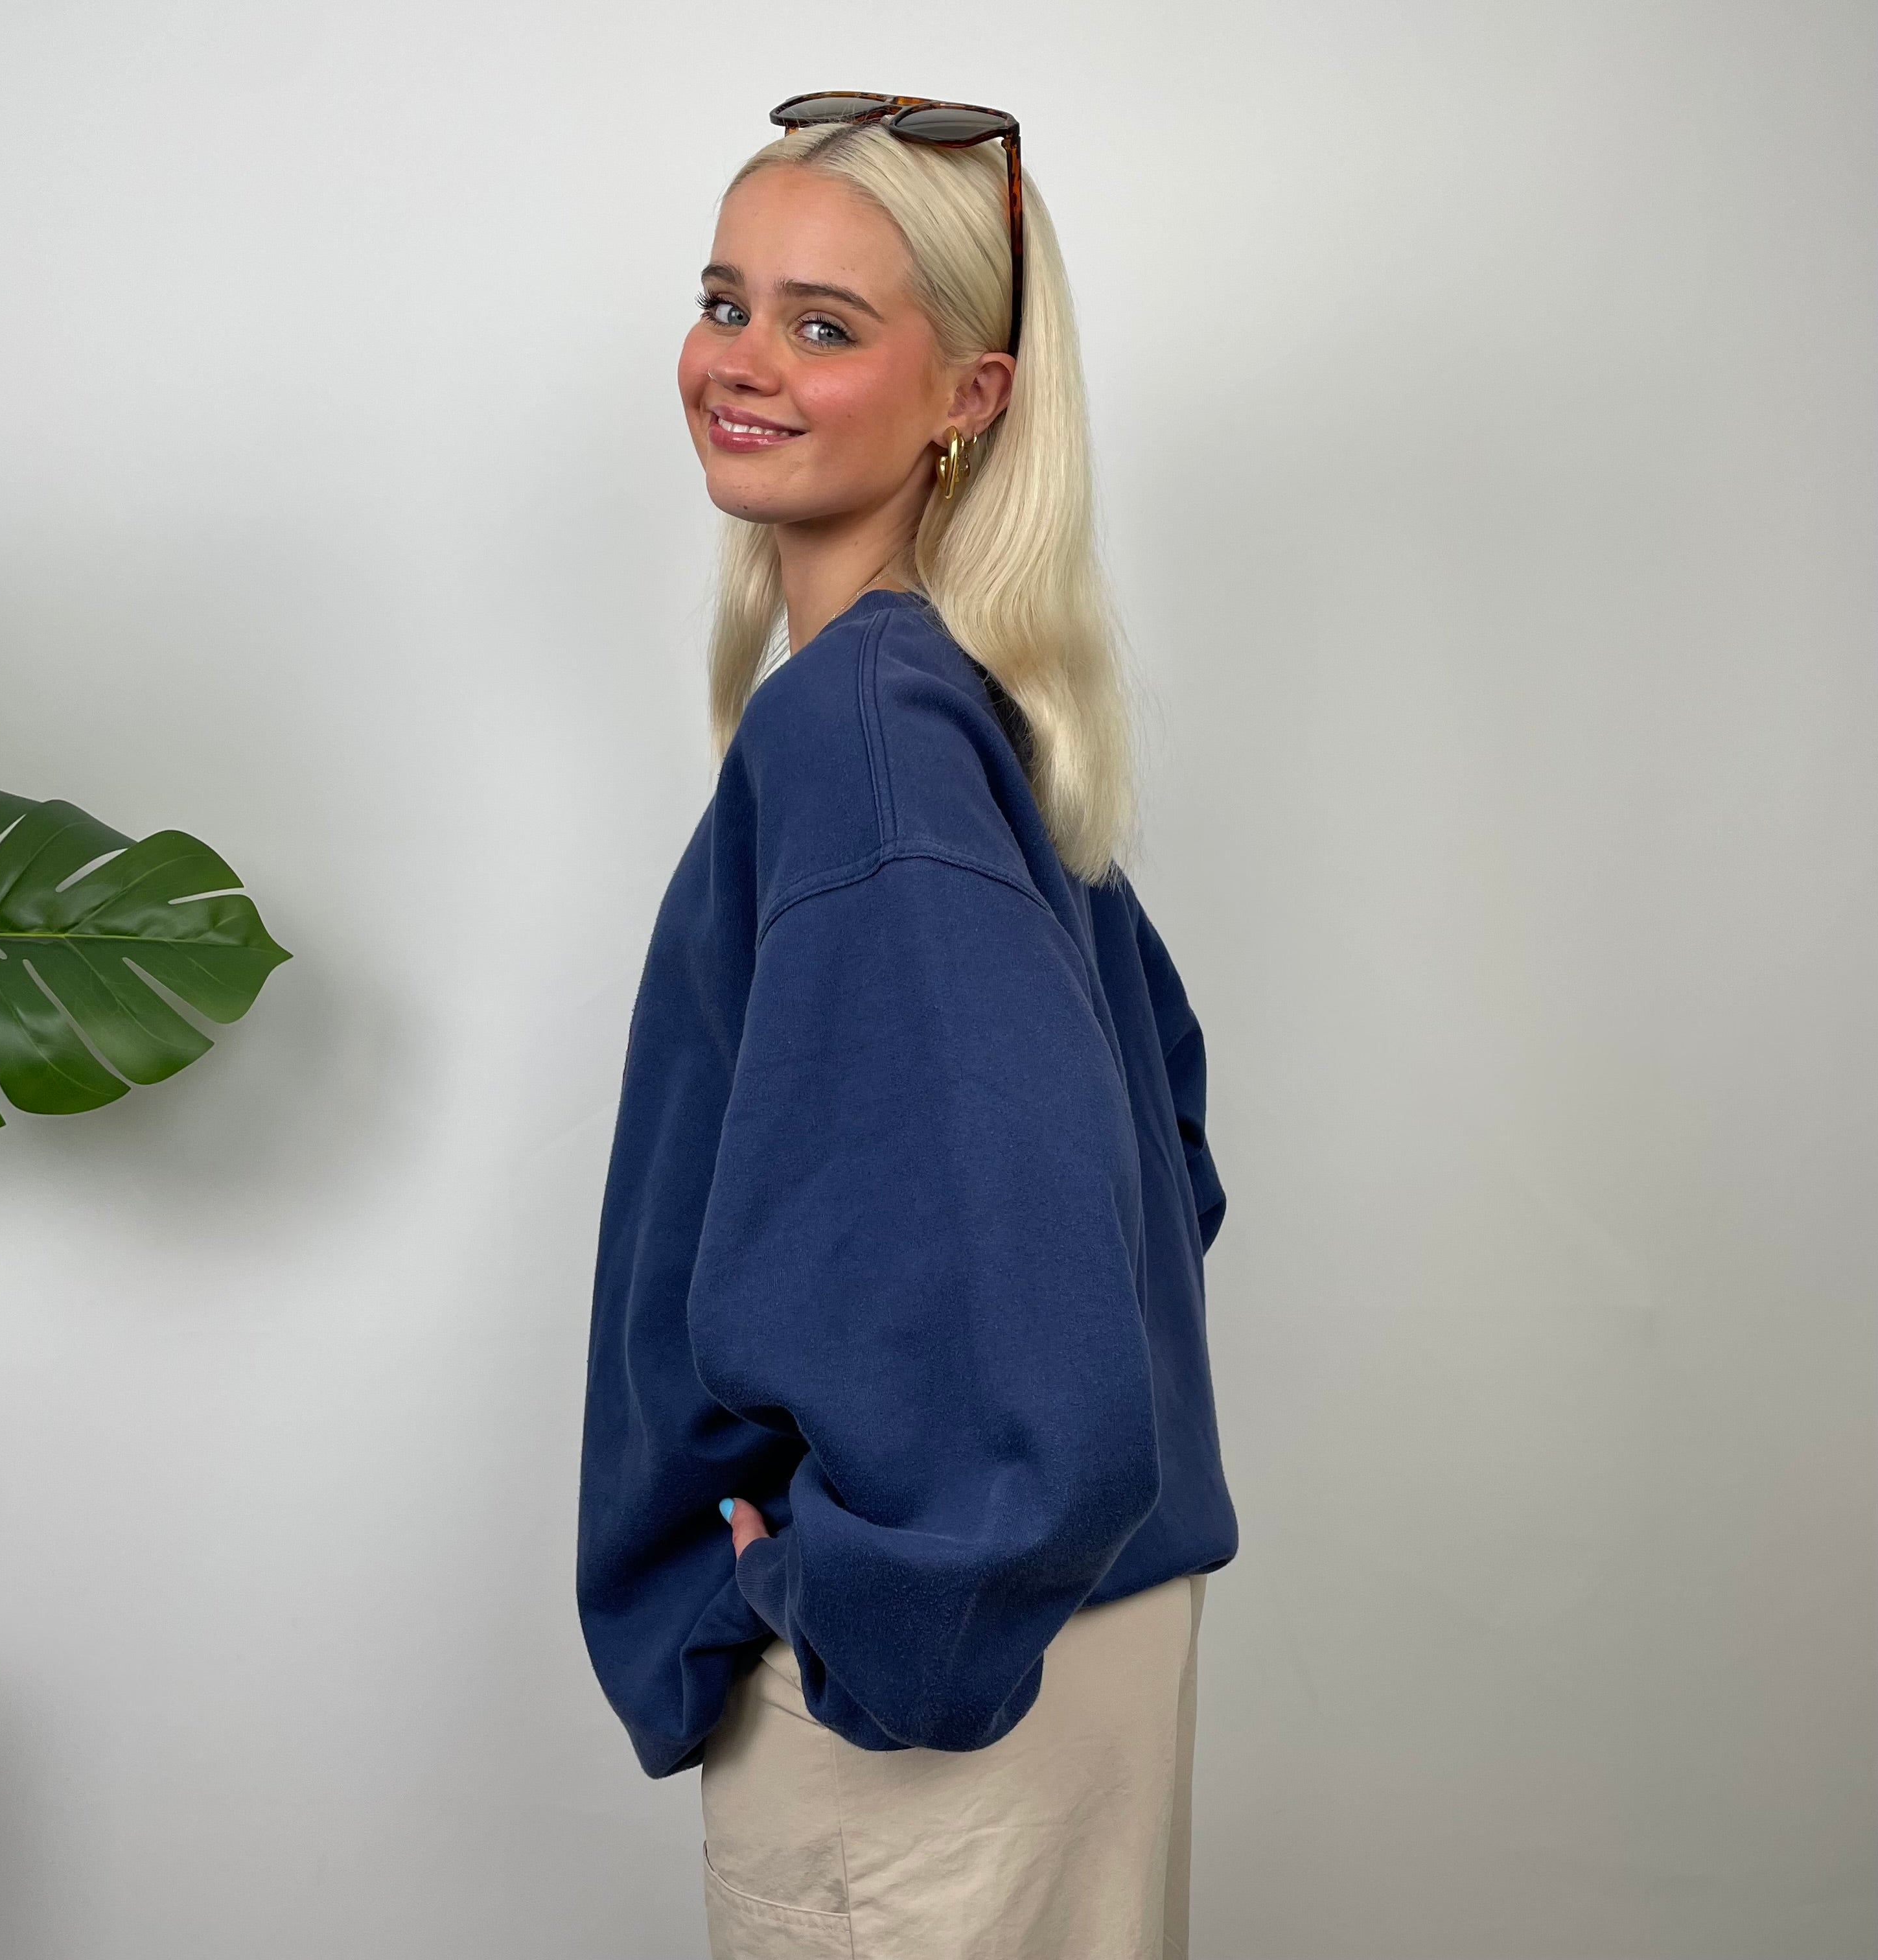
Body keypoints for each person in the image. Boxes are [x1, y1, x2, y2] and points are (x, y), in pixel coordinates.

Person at [576, 92, 1238, 1960]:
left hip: (946, 1701)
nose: (741, 364)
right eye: (728, 303)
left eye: (825, 324)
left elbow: (1057, 1212)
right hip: (1070, 1660)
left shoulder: (863, 735)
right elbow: (1150, 1157)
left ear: (971, 394)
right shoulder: (971, 709)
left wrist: (879, 1599)